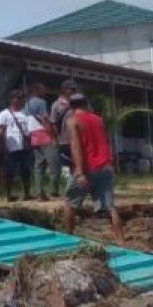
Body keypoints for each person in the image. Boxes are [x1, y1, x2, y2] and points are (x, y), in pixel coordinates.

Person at [63, 93, 126, 245]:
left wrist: (79, 172)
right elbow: (106, 142)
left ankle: (68, 237)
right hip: (105, 166)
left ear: (71, 107)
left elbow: (76, 146)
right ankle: (121, 241)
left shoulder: (72, 121)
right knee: (110, 207)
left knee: (70, 204)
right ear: (86, 104)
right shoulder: (98, 119)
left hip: (87, 169)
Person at [0, 90, 33, 202]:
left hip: (24, 148)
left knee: (26, 171)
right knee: (10, 172)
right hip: (11, 148)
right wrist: (4, 146)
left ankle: (27, 194)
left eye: (21, 98)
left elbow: (28, 131)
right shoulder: (4, 114)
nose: (20, 100)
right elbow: (0, 131)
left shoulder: (24, 113)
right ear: (11, 100)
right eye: (18, 98)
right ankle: (9, 195)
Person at [27, 82, 60, 200]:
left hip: (34, 137)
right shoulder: (41, 102)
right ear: (37, 90)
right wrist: (53, 138)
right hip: (44, 136)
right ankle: (54, 191)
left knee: (39, 165)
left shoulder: (27, 104)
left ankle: (39, 192)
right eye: (43, 90)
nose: (45, 92)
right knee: (54, 165)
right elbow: (45, 121)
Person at [50, 79, 78, 167]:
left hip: (78, 138)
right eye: (72, 89)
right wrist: (57, 137)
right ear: (64, 90)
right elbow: (53, 122)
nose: (74, 91)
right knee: (66, 166)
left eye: (74, 89)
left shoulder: (78, 102)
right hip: (65, 140)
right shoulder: (57, 104)